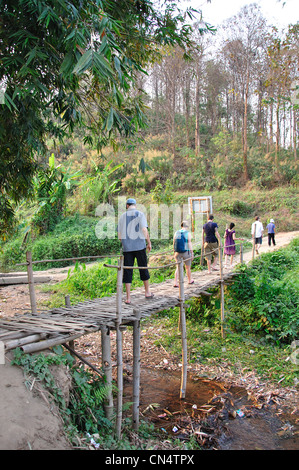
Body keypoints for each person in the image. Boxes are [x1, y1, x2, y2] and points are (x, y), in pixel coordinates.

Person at [117, 198, 153, 304]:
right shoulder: (140, 214)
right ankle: (147, 292)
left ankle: (128, 298)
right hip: (140, 246)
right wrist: (149, 242)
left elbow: (119, 235)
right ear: (135, 205)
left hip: (127, 248)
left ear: (127, 206)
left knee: (128, 271)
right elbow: (144, 229)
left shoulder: (122, 217)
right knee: (143, 267)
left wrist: (124, 242)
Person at [173, 221, 194, 287]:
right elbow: (189, 243)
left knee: (178, 267)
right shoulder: (187, 233)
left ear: (181, 226)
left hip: (177, 252)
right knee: (187, 267)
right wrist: (192, 252)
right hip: (186, 252)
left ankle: (175, 282)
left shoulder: (176, 232)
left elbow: (174, 242)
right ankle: (189, 280)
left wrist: (174, 251)